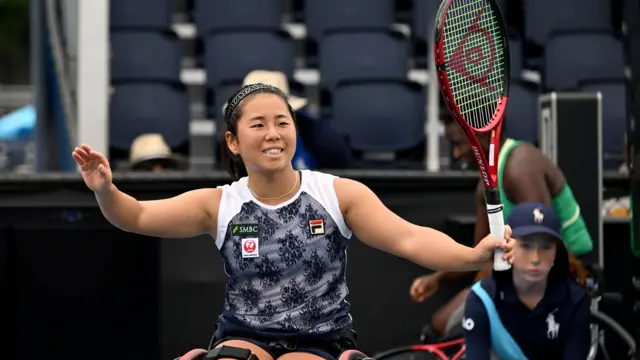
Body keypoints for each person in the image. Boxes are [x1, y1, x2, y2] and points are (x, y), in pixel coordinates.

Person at [72, 83, 515, 360]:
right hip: (245, 337)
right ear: (232, 140)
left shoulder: (337, 194)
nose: (273, 133)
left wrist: (472, 254)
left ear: (295, 132)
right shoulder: (219, 203)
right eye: (259, 124)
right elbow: (136, 216)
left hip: (321, 343)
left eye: (282, 123)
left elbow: (410, 239)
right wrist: (105, 190)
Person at [409, 115, 593, 337]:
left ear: (484, 136)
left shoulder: (519, 167)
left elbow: (543, 244)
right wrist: (437, 278)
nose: (456, 155)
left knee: (458, 329)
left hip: (564, 272)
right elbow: (479, 253)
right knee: (438, 328)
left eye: (458, 145)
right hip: (518, 273)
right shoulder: (486, 183)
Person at [463, 202, 591, 360]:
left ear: (557, 251)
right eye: (525, 246)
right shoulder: (482, 298)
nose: (535, 258)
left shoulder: (576, 300)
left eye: (546, 247)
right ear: (507, 245)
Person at [229, 70, 354, 170]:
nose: (271, 133)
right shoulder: (232, 144)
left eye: (279, 121)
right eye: (258, 123)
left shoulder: (321, 137)